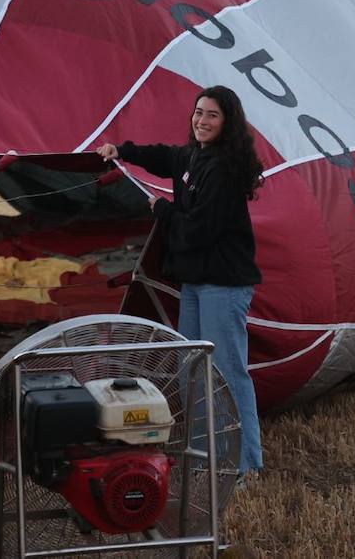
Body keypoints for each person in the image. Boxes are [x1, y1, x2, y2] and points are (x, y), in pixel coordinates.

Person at [95, 85, 264, 479]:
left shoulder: (223, 171)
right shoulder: (195, 155)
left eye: (212, 116)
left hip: (223, 284)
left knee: (227, 372)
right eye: (198, 112)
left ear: (228, 123)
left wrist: (163, 210)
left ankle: (245, 464)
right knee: (194, 370)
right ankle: (209, 456)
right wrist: (124, 150)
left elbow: (199, 231)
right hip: (195, 282)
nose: (201, 121)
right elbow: (167, 157)